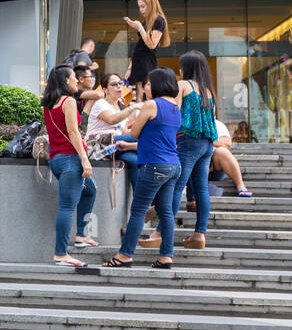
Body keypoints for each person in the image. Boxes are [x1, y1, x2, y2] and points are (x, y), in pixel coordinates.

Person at [104, 67, 181, 269]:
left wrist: (133, 124)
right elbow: (156, 139)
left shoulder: (151, 105)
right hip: (173, 165)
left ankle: (125, 254)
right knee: (166, 212)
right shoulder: (175, 106)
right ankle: (166, 256)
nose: (146, 87)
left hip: (153, 165)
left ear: (156, 84)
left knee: (138, 210)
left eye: (148, 83)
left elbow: (135, 132)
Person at [141, 50, 216, 251]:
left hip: (188, 142)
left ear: (187, 68)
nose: (180, 70)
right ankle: (200, 234)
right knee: (201, 189)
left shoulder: (183, 85)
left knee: (175, 187)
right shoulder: (208, 90)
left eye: (181, 66)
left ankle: (159, 232)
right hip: (207, 145)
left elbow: (173, 114)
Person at [42, 65, 97, 267]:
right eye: (74, 77)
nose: (77, 80)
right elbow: (73, 133)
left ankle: (82, 235)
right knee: (66, 207)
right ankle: (61, 253)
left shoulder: (50, 103)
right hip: (71, 159)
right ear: (66, 81)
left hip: (57, 159)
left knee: (90, 190)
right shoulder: (68, 101)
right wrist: (84, 158)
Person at [86, 72, 139, 188]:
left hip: (116, 145)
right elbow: (112, 120)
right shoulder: (100, 103)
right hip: (99, 145)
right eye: (114, 84)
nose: (119, 86)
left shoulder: (121, 107)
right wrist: (132, 108)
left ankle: (141, 203)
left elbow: (124, 132)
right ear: (105, 89)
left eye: (121, 83)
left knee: (135, 161)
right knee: (146, 140)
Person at [125, 0, 170, 101]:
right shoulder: (147, 21)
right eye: (139, 7)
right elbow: (141, 44)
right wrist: (130, 67)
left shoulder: (159, 20)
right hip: (139, 60)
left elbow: (152, 44)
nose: (141, 10)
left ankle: (145, 114)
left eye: (143, 6)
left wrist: (139, 28)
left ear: (151, 5)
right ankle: (140, 113)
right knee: (139, 91)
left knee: (145, 90)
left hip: (147, 60)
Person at [210, 120, 252, 198]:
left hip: (213, 168)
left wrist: (205, 141)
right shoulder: (187, 121)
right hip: (192, 166)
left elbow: (227, 142)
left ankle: (240, 185)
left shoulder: (216, 124)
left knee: (222, 151)